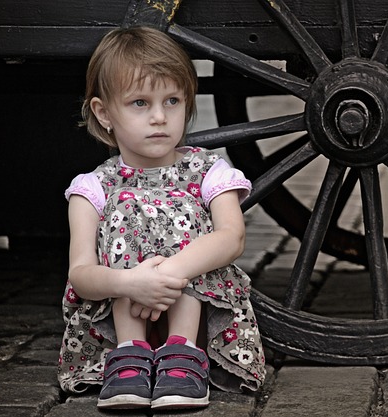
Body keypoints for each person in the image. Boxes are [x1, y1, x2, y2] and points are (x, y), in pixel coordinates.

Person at [56, 25, 266, 410]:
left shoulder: (208, 172)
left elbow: (232, 237)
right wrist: (134, 282)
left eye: (172, 101)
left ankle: (182, 352)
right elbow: (81, 274)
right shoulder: (94, 188)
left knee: (186, 218)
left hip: (193, 308)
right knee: (127, 207)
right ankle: (129, 354)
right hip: (121, 310)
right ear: (104, 113)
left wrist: (169, 275)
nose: (159, 117)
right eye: (140, 103)